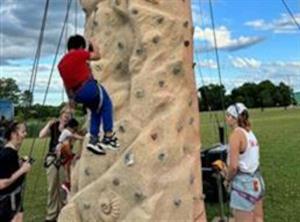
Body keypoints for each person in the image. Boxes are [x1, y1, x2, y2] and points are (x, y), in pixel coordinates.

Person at [57, 34, 119, 155]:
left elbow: (66, 84)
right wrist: (93, 42)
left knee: (96, 110)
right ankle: (108, 136)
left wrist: (71, 99)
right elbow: (97, 56)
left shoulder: (61, 64)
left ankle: (94, 140)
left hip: (77, 94)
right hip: (88, 88)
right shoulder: (78, 53)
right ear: (80, 46)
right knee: (106, 104)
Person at [225, 103, 265, 222]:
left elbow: (233, 166)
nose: (226, 118)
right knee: (258, 218)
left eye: (228, 115)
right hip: (257, 180)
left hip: (243, 184)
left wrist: (227, 179)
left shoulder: (236, 135)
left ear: (234, 118)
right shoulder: (250, 133)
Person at [39, 106, 72, 222]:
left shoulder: (70, 129)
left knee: (63, 188)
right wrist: (48, 124)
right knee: (52, 188)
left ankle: (64, 215)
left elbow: (69, 144)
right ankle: (52, 216)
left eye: (69, 114)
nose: (67, 116)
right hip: (52, 159)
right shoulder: (53, 126)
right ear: (61, 114)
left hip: (64, 161)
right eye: (65, 113)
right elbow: (41, 135)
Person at [0, 121, 32, 222]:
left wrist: (20, 164)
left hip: (15, 201)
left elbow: (9, 171)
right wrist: (22, 170)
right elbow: (1, 183)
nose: (25, 134)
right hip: (7, 205)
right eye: (23, 132)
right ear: (14, 134)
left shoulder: (13, 153)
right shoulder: (6, 154)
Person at [55, 118, 83, 194]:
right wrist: (83, 138)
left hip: (62, 150)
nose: (75, 130)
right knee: (69, 163)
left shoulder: (66, 131)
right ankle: (67, 183)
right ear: (72, 127)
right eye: (75, 128)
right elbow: (75, 136)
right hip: (62, 149)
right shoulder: (66, 131)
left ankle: (67, 183)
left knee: (67, 166)